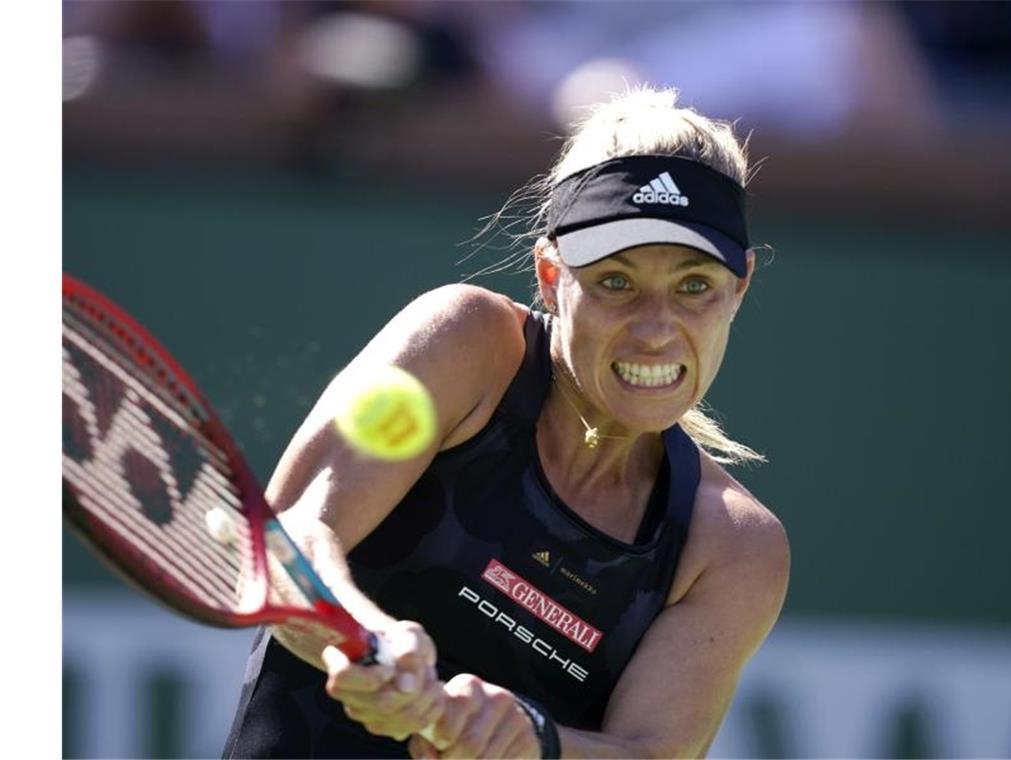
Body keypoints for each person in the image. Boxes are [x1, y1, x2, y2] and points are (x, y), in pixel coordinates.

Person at [223, 85, 790, 759]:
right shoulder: (462, 347)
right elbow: (293, 535)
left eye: (695, 287)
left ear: (740, 289)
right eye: (615, 281)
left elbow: (650, 752)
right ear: (551, 274)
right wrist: (374, 640)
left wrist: (534, 744)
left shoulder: (733, 548)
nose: (656, 331)